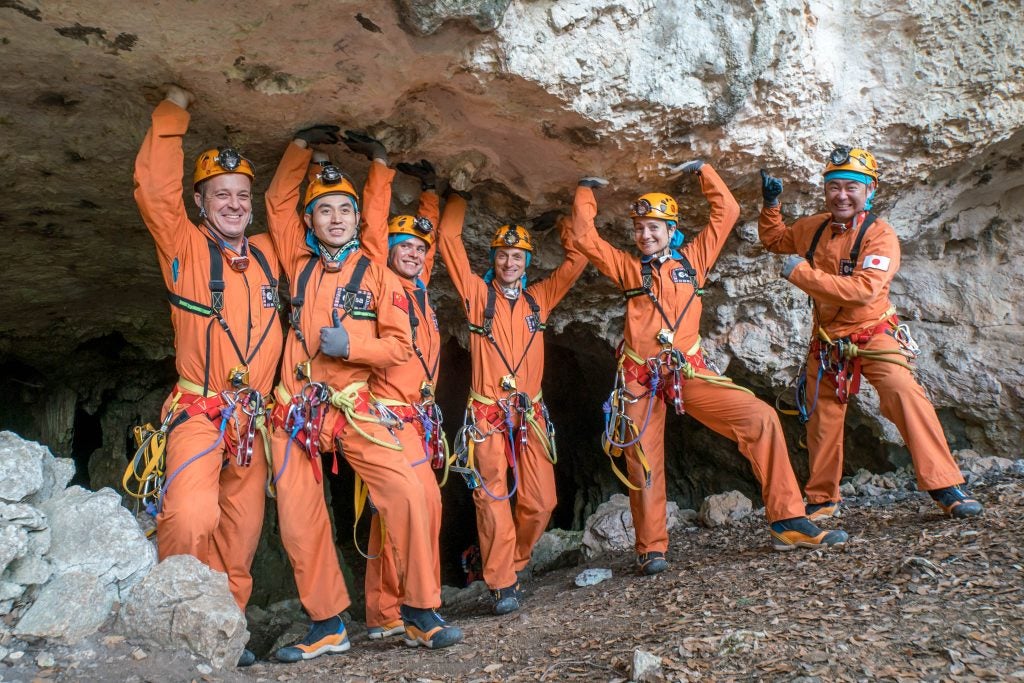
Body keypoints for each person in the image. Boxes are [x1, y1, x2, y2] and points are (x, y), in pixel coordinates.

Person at [571, 162, 848, 572]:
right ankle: (651, 549)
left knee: (761, 418)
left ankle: (789, 519)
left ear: (670, 230)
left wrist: (704, 171)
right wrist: (584, 193)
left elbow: (728, 213)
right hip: (640, 377)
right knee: (642, 460)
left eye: (654, 228)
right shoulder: (630, 270)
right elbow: (584, 237)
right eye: (639, 228)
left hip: (687, 372)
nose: (645, 235)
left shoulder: (693, 260)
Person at [263, 125, 462, 662]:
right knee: (299, 519)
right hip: (295, 410)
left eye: (344, 211)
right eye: (324, 210)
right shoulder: (296, 262)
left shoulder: (380, 274)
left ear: (356, 219)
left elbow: (399, 346)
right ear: (310, 221)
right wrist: (299, 148)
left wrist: (351, 344)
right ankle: (326, 623)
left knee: (406, 493)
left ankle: (420, 611)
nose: (335, 219)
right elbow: (276, 201)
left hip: (355, 404)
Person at [133, 84, 284, 667]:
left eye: (242, 195)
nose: (233, 203)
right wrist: (173, 116)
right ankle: (173, 631)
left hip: (253, 423)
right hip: (199, 412)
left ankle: (225, 632)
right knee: (189, 517)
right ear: (201, 203)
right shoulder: (183, 246)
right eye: (220, 194)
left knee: (239, 541)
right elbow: (154, 190)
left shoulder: (270, 253)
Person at [758, 146, 983, 521]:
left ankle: (946, 485)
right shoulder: (813, 228)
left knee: (903, 393)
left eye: (851, 187)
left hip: (872, 333)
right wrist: (771, 204)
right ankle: (822, 499)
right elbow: (776, 240)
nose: (841, 195)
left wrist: (799, 273)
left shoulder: (880, 236)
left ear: (869, 191)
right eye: (834, 187)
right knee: (822, 417)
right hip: (830, 342)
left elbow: (863, 289)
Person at [437, 190, 586, 614]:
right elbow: (448, 243)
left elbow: (576, 262)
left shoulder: (539, 298)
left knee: (542, 503)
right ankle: (501, 584)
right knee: (493, 499)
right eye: (502, 255)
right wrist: (460, 199)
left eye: (517, 257)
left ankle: (508, 561)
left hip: (530, 414)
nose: (509, 263)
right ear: (493, 259)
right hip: (487, 416)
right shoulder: (476, 296)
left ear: (527, 262)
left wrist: (563, 224)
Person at [340, 133, 445, 641]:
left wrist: (431, 195)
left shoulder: (423, 292)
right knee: (413, 504)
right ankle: (401, 609)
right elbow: (374, 231)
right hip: (387, 413)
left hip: (418, 417)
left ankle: (386, 611)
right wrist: (381, 168)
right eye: (404, 248)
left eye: (419, 250)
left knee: (406, 511)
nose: (413, 254)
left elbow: (433, 237)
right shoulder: (381, 281)